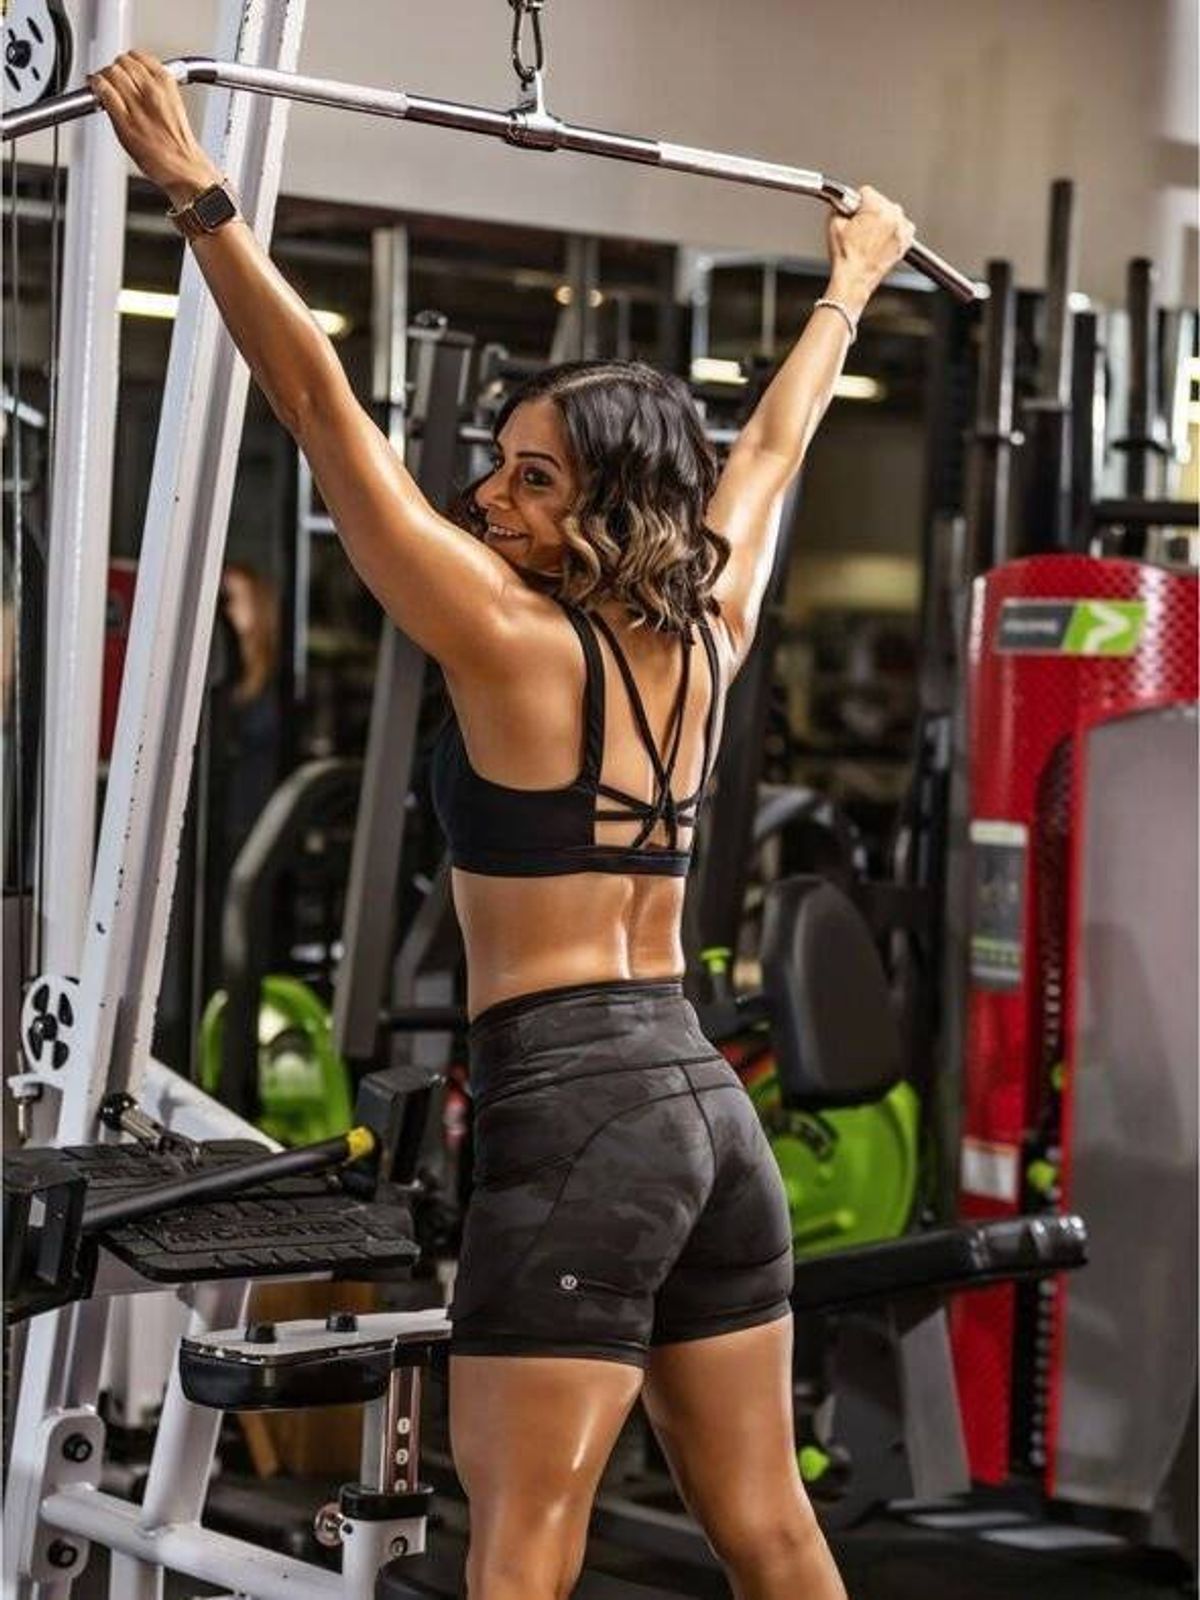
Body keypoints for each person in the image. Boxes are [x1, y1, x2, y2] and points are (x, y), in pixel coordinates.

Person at [89, 50, 914, 1600]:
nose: (489, 499)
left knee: (524, 1550)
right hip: (699, 1101)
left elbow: (319, 408)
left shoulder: (506, 640)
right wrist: (852, 281)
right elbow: (771, 452)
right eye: (500, 469)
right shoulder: (713, 631)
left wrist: (196, 194)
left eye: (533, 482)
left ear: (610, 505)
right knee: (771, 1528)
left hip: (576, 1113)